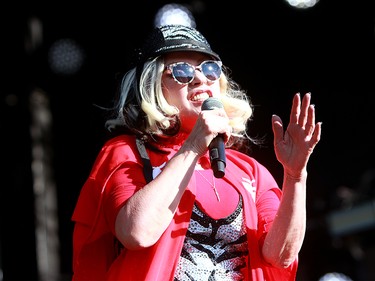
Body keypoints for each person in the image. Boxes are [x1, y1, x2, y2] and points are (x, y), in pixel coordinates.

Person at [71, 24, 322, 281]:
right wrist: (193, 146)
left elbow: (280, 256)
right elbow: (137, 233)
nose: (200, 79)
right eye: (182, 71)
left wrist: (294, 176)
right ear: (153, 85)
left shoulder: (250, 171)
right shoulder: (127, 152)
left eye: (210, 69)